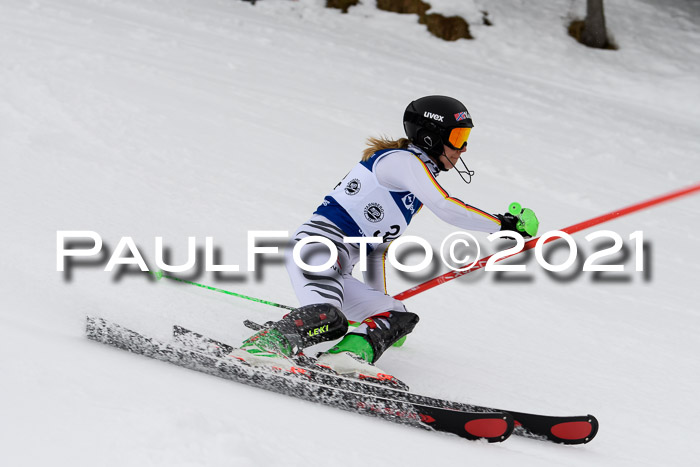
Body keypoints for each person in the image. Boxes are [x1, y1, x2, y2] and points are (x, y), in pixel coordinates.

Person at [231, 95, 539, 385]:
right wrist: (503, 225)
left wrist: (378, 312)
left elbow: (375, 252)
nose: (464, 149)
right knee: (329, 318)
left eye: (465, 138)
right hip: (317, 249)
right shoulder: (401, 162)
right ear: (430, 137)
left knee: (399, 316)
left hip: (340, 268)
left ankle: (344, 358)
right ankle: (262, 348)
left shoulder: (412, 189)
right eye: (457, 138)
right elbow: (446, 207)